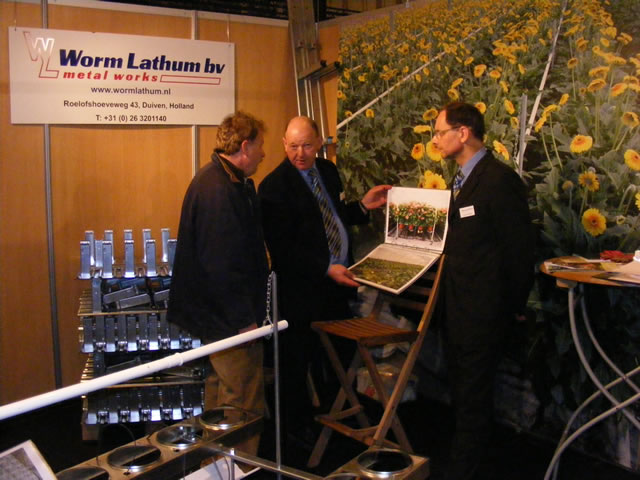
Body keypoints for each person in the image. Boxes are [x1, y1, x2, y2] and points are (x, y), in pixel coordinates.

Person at [258, 116, 390, 450]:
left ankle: (338, 418)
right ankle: (296, 429)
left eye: (306, 145)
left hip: (335, 287)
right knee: (296, 360)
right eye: (292, 146)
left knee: (339, 354)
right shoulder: (274, 187)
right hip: (299, 292)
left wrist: (363, 206)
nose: (299, 153)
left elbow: (331, 216)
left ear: (319, 142)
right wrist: (325, 267)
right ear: (283, 144)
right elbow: (283, 249)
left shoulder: (328, 171)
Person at [432, 102, 535, 480]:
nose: (435, 140)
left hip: (484, 310)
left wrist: (512, 306)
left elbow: (519, 249)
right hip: (459, 307)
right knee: (464, 391)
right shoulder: (461, 180)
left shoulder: (498, 180)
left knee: (473, 394)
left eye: (440, 132)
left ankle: (464, 469)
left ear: (463, 133)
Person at [168, 111, 269, 456]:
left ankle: (212, 465)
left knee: (219, 389)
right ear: (245, 146)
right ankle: (240, 467)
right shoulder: (220, 191)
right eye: (260, 145)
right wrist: (245, 321)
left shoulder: (218, 180)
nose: (263, 153)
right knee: (242, 396)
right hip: (228, 319)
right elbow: (222, 267)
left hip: (215, 317)